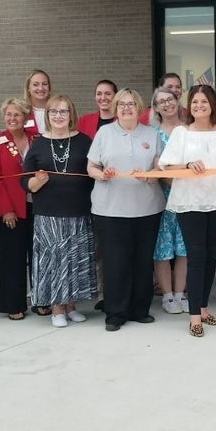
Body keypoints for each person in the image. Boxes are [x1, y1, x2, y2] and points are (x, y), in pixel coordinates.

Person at [158, 84, 216, 337]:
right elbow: (166, 165)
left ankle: (204, 308)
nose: (199, 106)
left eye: (204, 102)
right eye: (195, 102)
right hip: (190, 201)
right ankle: (194, 316)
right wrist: (186, 164)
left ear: (213, 105)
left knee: (210, 256)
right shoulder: (181, 133)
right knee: (196, 255)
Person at [88, 88, 166, 332]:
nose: (126, 108)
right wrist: (102, 174)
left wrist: (150, 177)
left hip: (146, 208)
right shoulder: (104, 133)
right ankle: (115, 312)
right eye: (121, 104)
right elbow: (91, 166)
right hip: (110, 209)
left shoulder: (152, 134)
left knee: (142, 261)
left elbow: (159, 167)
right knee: (115, 262)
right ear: (115, 108)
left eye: (131, 104)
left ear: (139, 107)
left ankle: (139, 309)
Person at [21, 95, 96, 328]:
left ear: (71, 115)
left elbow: (95, 172)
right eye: (54, 112)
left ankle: (71, 306)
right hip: (48, 213)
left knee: (75, 258)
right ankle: (56, 309)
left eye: (63, 112)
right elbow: (25, 182)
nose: (58, 116)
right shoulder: (38, 144)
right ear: (48, 115)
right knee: (54, 260)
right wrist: (38, 182)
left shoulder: (85, 141)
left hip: (79, 211)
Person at [0, 97, 37, 320]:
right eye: (8, 114)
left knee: (38, 256)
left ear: (25, 117)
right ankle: (13, 303)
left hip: (37, 206)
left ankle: (41, 300)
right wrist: (5, 209)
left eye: (17, 114)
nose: (12, 118)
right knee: (12, 257)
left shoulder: (36, 139)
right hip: (11, 210)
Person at [147, 87, 188, 314]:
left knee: (184, 248)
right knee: (162, 249)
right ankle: (168, 296)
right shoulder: (152, 133)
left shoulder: (189, 130)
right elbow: (155, 166)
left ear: (177, 100)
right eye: (161, 101)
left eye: (170, 99)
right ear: (156, 107)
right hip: (161, 198)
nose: (167, 104)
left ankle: (181, 293)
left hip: (187, 196)